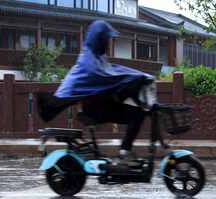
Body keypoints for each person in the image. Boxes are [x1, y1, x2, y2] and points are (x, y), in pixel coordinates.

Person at [38, 20, 157, 160]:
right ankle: (125, 152)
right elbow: (106, 76)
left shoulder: (97, 56)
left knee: (138, 110)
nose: (108, 43)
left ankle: (125, 151)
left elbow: (114, 71)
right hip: (93, 109)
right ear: (99, 39)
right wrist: (135, 77)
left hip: (99, 103)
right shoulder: (88, 60)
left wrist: (138, 78)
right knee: (137, 115)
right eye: (106, 39)